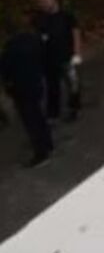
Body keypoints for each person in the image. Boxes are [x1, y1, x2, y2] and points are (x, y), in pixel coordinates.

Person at [1, 14, 53, 167]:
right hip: (36, 82)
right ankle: (47, 142)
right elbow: (43, 56)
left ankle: (41, 152)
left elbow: (5, 69)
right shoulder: (32, 39)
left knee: (30, 120)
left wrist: (8, 85)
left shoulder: (9, 48)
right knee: (39, 115)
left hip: (21, 88)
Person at [32, 0, 82, 121]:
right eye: (41, 3)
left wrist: (77, 52)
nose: (43, 5)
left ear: (53, 0)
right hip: (49, 59)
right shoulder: (39, 19)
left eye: (45, 1)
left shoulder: (66, 15)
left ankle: (74, 108)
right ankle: (53, 113)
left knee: (72, 83)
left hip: (66, 56)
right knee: (52, 86)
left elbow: (75, 33)